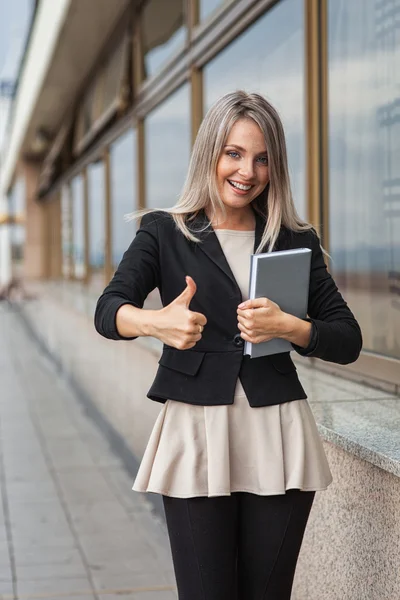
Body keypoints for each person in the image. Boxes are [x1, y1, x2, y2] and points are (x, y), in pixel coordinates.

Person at [94, 90, 362, 600]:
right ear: (210, 154)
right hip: (196, 433)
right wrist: (157, 325)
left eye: (262, 158)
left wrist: (290, 326)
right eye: (233, 153)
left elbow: (347, 339)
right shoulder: (164, 233)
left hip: (278, 432)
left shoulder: (293, 238)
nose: (248, 171)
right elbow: (108, 310)